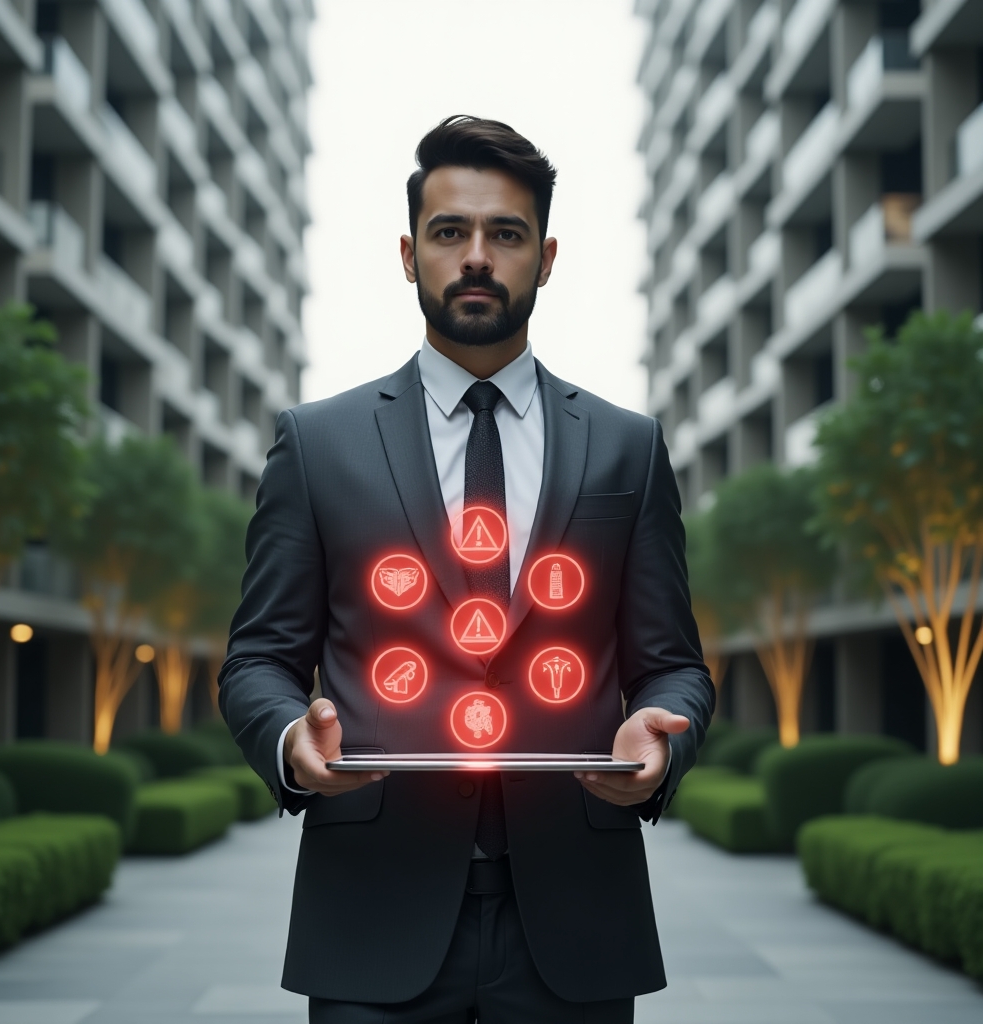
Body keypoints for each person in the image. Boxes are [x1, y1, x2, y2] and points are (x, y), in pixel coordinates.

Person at [219, 115, 714, 1023]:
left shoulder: (627, 448)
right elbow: (257, 660)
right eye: (451, 232)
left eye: (506, 233)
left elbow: (673, 663)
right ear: (409, 255)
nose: (476, 256)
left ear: (547, 256)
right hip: (373, 910)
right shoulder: (317, 445)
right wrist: (294, 741)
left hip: (576, 918)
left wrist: (666, 741)